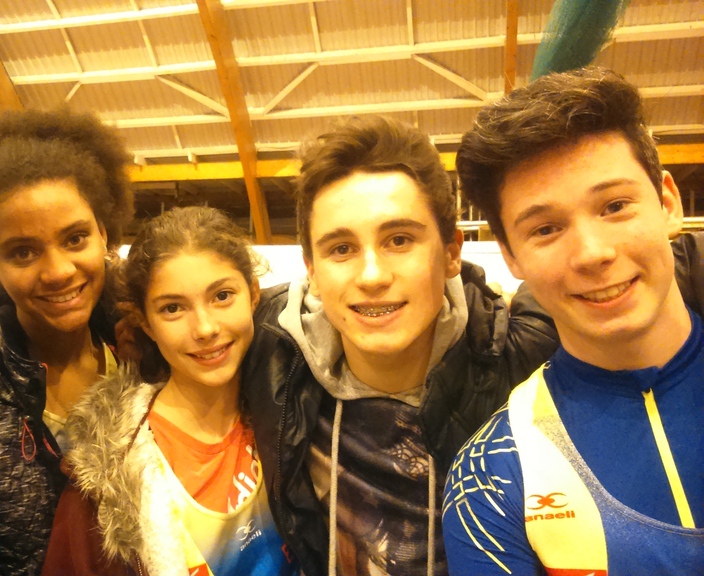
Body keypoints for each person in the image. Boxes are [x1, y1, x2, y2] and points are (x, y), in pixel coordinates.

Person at [239, 115, 565, 576]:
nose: (372, 275)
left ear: (451, 252)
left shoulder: (522, 359)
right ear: (311, 269)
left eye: (399, 240)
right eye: (341, 249)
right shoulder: (267, 351)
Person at [442, 68, 704, 574]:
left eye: (615, 206)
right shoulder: (492, 478)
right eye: (545, 229)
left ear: (668, 203)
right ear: (510, 256)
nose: (591, 253)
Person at [41, 206, 298, 576]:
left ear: (253, 294)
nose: (205, 328)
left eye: (222, 295)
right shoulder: (107, 479)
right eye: (173, 308)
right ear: (145, 322)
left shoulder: (289, 408)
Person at [0, 107, 134, 574]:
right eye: (22, 252)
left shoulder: (145, 343)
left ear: (103, 234)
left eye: (75, 239)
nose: (58, 271)